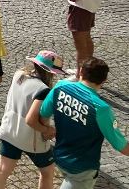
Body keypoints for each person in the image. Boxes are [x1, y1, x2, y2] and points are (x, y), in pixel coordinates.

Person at [37, 57, 129, 188]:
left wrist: (48, 130)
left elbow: (43, 114)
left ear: (80, 72)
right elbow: (120, 145)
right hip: (82, 169)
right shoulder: (101, 108)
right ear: (104, 81)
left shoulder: (60, 87)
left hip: (60, 156)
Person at [0, 50, 66, 189]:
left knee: (2, 170)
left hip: (9, 130)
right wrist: (48, 130)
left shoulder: (19, 75)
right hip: (31, 139)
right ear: (50, 72)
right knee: (47, 172)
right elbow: (31, 120)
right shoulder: (43, 90)